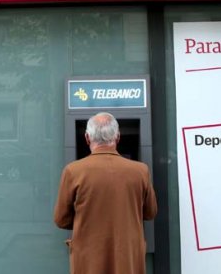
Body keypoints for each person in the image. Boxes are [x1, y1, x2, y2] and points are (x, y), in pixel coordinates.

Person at [54, 112, 157, 274]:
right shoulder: (141, 171)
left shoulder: (73, 171)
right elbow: (150, 213)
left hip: (89, 259)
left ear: (87, 138)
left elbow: (61, 219)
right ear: (117, 137)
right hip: (127, 258)